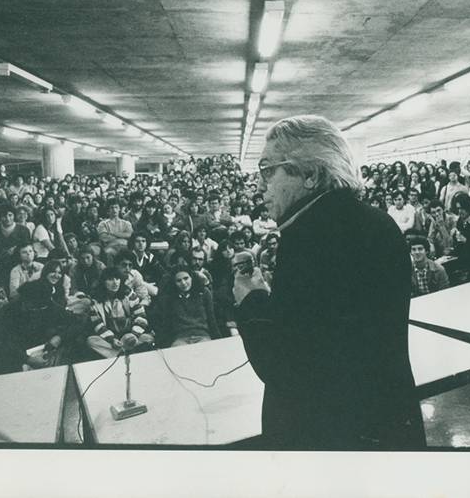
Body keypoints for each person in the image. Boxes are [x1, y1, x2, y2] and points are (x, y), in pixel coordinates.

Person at [232, 115, 424, 449]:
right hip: (384, 416)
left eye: (267, 169)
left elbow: (288, 368)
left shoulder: (307, 238)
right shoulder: (378, 222)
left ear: (310, 174)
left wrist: (251, 300)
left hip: (328, 431)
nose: (259, 184)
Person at [87, 267, 155, 358]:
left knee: (147, 338)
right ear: (103, 282)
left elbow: (141, 317)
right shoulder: (95, 300)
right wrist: (112, 339)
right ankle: (124, 353)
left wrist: (134, 334)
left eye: (117, 279)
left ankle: (117, 353)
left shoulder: (129, 294)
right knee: (91, 341)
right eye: (110, 279)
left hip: (130, 334)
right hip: (110, 339)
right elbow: (98, 324)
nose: (115, 283)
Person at [152, 267, 220, 347]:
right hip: (180, 338)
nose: (183, 283)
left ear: (192, 278)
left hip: (202, 336)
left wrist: (218, 341)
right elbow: (166, 324)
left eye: (186, 278)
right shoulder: (169, 299)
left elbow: (212, 319)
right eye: (179, 281)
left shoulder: (204, 293)